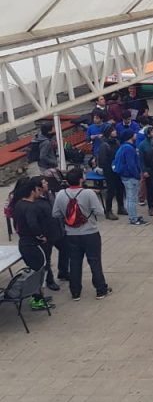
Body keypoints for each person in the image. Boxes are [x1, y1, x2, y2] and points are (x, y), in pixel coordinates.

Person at [52, 167, 112, 300]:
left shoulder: (61, 194)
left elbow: (55, 213)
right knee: (95, 261)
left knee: (74, 262)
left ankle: (75, 292)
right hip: (90, 232)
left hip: (71, 234)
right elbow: (100, 212)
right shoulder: (88, 193)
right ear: (81, 179)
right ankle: (101, 289)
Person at [12, 177, 56, 310]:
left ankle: (39, 297)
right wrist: (41, 236)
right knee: (39, 272)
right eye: (38, 190)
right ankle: (37, 300)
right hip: (32, 244)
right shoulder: (31, 207)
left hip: (24, 243)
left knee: (35, 271)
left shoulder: (19, 204)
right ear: (33, 191)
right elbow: (33, 224)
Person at [113, 131, 146, 225]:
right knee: (132, 198)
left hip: (125, 176)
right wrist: (137, 175)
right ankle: (133, 219)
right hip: (130, 177)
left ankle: (133, 216)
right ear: (130, 136)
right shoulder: (129, 149)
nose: (136, 135)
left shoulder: (123, 147)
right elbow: (131, 165)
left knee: (130, 197)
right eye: (134, 134)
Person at [96, 126, 126, 220]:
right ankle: (108, 211)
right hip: (109, 171)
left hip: (117, 169)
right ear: (109, 132)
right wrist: (110, 168)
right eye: (113, 130)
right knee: (111, 190)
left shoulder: (116, 142)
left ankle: (120, 207)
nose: (115, 131)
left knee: (120, 188)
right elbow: (102, 161)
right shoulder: (104, 145)